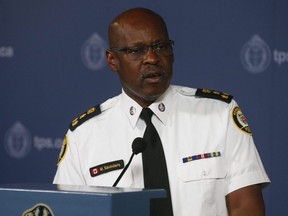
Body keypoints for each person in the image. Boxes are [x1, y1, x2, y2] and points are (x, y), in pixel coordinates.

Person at [53, 7, 270, 216]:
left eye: (161, 47)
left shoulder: (218, 114)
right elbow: (67, 210)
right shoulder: (83, 136)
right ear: (112, 60)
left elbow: (246, 206)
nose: (153, 58)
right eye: (136, 51)